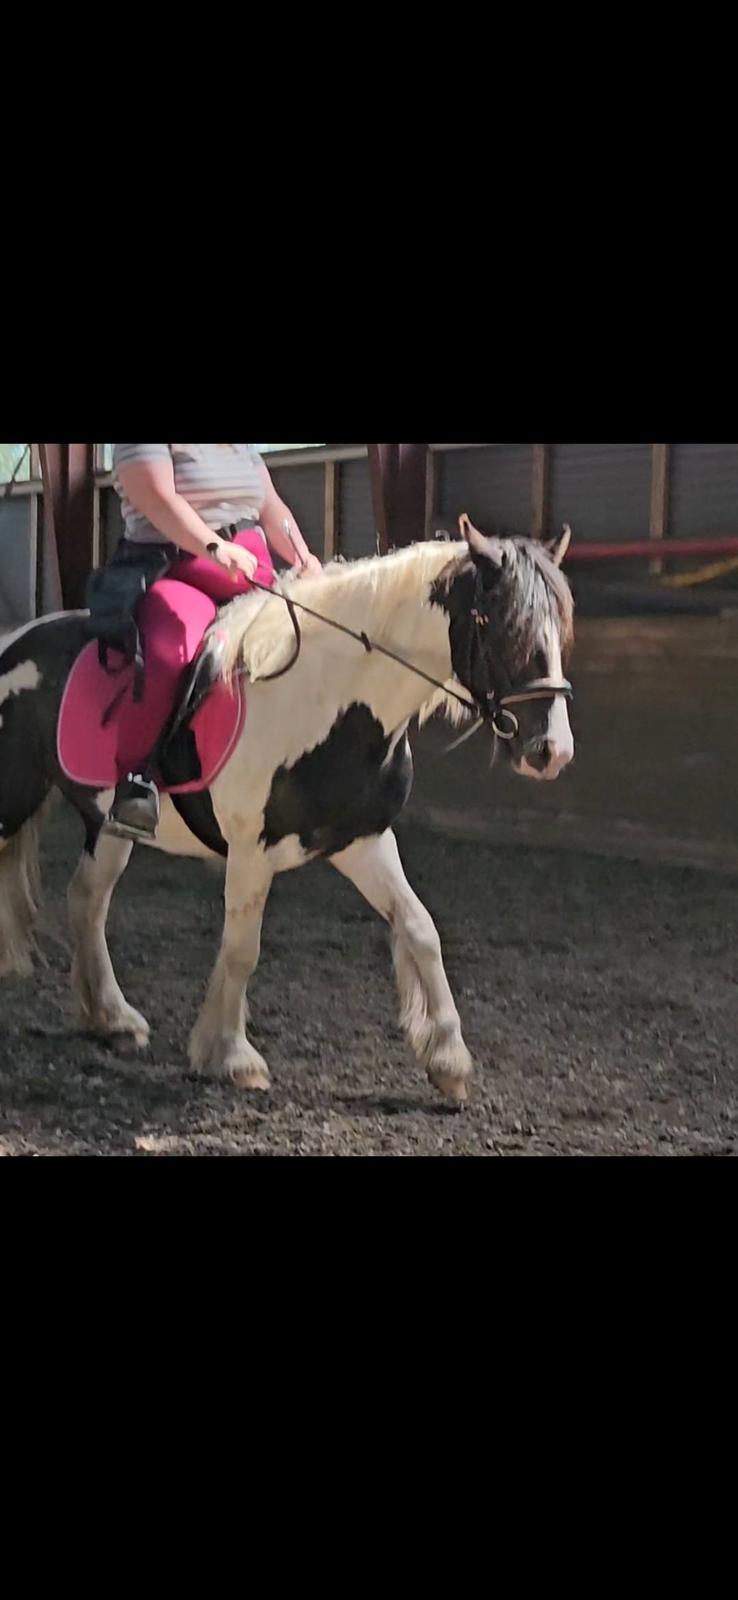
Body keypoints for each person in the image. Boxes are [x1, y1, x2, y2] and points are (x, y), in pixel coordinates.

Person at [104, 443, 322, 841]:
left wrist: (303, 558)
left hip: (249, 568)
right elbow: (158, 499)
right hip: (175, 566)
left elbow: (271, 508)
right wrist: (214, 545)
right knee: (170, 653)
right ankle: (136, 780)